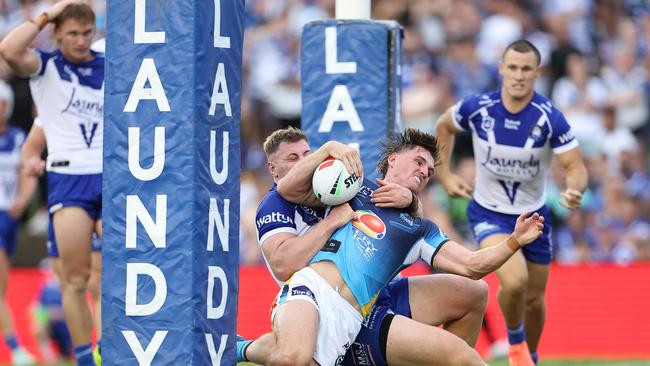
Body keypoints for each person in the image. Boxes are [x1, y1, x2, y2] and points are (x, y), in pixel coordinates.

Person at [244, 128, 545, 366]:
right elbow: (287, 190)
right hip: (314, 289)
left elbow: (471, 266)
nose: (425, 171)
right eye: (418, 161)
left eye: (429, 169)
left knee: (473, 299)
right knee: (291, 358)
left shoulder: (420, 228)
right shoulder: (354, 186)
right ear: (393, 160)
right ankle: (240, 348)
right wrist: (328, 148)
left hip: (353, 315)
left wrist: (514, 240)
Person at [435, 40, 588, 366]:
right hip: (490, 213)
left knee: (534, 299)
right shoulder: (478, 107)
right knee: (514, 282)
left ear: (537, 72)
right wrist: (444, 174)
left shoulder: (549, 117)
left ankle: (528, 354)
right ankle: (516, 341)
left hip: (534, 217)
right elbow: (443, 125)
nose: (519, 75)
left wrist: (575, 189)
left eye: (526, 69)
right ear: (502, 69)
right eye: (513, 68)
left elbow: (576, 167)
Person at [0, 1, 104, 364]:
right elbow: (9, 49)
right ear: (57, 35)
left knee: (110, 277)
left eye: (86, 32)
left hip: (111, 177)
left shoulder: (110, 62)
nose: (80, 40)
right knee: (74, 280)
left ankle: (109, 351)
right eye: (72, 33)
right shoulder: (46, 67)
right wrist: (49, 13)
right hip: (69, 179)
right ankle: (85, 359)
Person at [0, 81, 38, 365]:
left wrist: (23, 201)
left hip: (9, 218)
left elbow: (28, 174)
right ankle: (15, 348)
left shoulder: (18, 137)